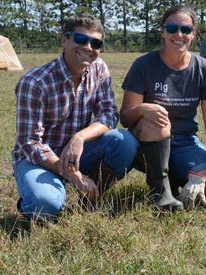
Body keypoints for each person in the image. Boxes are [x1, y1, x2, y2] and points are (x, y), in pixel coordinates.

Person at [12, 13, 139, 222]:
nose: (89, 47)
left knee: (124, 142)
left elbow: (108, 114)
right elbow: (29, 143)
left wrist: (79, 137)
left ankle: (91, 197)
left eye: (96, 43)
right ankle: (34, 202)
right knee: (45, 206)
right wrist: (73, 175)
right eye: (81, 40)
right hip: (40, 159)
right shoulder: (34, 82)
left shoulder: (99, 69)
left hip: (78, 152)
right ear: (64, 40)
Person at [120, 4, 206, 211]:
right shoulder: (143, 65)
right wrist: (141, 110)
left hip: (185, 142)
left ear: (193, 34)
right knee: (158, 123)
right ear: (163, 31)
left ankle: (178, 175)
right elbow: (126, 118)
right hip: (146, 143)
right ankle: (159, 189)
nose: (179, 34)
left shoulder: (203, 68)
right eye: (172, 28)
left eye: (186, 30)